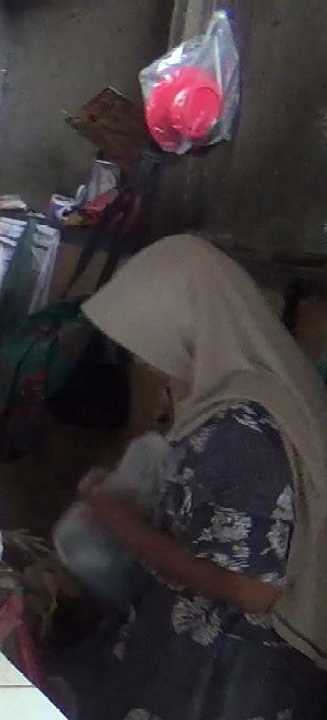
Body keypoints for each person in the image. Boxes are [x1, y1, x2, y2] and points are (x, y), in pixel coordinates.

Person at [69, 235, 327, 719]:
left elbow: (253, 589)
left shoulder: (244, 426)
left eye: (149, 338)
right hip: (192, 656)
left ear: (189, 327)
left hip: (226, 678)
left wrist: (122, 523)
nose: (141, 359)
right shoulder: (234, 399)